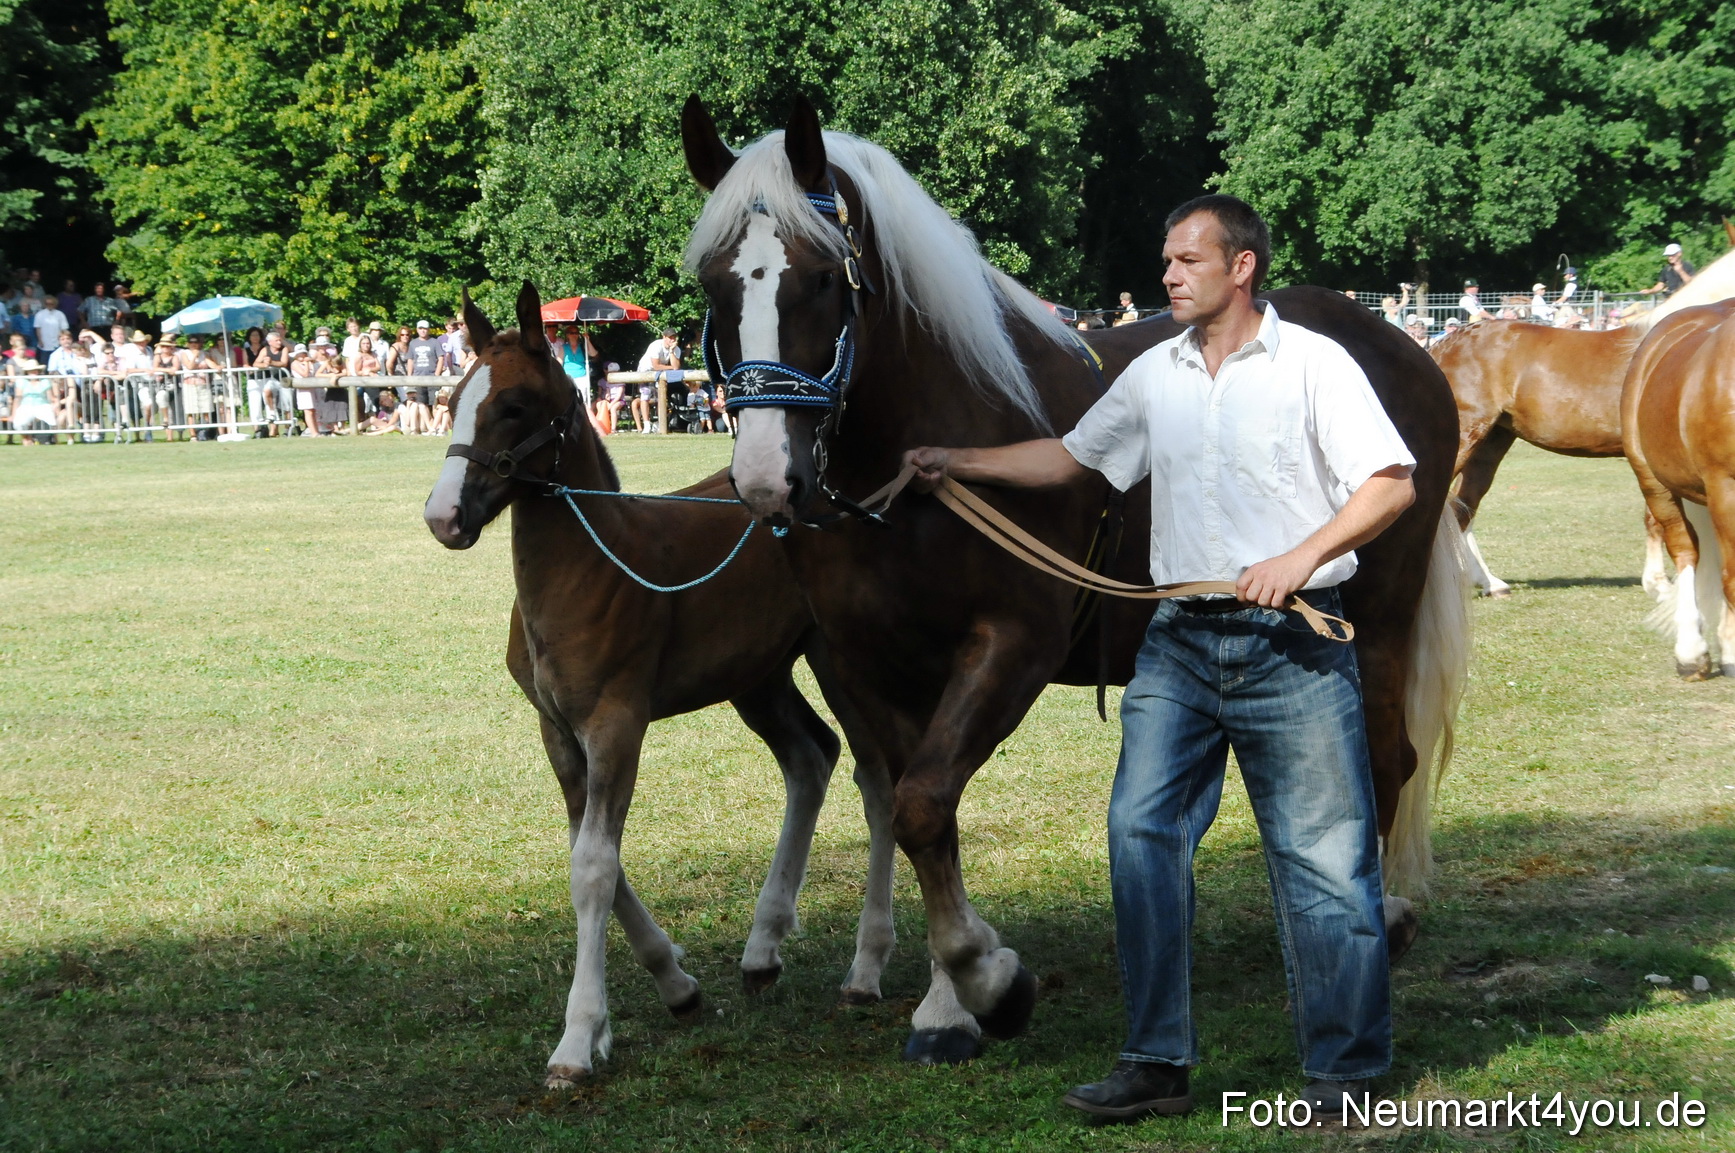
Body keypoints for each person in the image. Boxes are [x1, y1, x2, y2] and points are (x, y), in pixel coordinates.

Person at [903, 193, 1414, 1126]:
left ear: (1241, 266)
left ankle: (1346, 1072)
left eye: (1186, 260)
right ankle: (1154, 1061)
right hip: (1176, 644)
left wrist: (1300, 555)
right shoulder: (1155, 375)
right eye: (1167, 259)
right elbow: (1070, 459)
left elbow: (1390, 483)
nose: (1168, 275)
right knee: (1140, 839)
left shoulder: (1314, 364)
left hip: (1292, 642)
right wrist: (957, 460)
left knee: (1325, 862)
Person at [634, 328, 681, 433]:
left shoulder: (676, 349)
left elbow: (676, 367)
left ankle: (660, 424)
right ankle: (646, 425)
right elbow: (656, 366)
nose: (672, 340)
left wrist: (671, 352)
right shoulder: (655, 345)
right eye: (670, 337)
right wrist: (671, 367)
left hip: (661, 373)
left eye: (674, 337)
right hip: (645, 370)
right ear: (664, 337)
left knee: (661, 397)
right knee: (645, 395)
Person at [252, 329, 294, 436]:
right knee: (267, 390)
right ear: (270, 342)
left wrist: (271, 362)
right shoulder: (265, 350)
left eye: (279, 340)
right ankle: (271, 412)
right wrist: (264, 365)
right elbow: (256, 363)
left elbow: (284, 363)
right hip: (274, 379)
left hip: (285, 379)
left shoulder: (284, 349)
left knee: (287, 404)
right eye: (277, 341)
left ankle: (287, 428)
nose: (279, 342)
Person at [559, 324, 597, 408]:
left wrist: (587, 340)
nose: (574, 335)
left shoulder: (582, 346)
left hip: (582, 377)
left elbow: (593, 354)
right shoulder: (563, 347)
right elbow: (559, 363)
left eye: (576, 333)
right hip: (567, 377)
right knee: (568, 400)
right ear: (567, 335)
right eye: (572, 333)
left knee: (582, 400)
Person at [290, 343, 322, 435]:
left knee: (313, 411)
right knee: (308, 411)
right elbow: (305, 374)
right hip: (303, 390)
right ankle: (313, 432)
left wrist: (310, 362)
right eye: (300, 354)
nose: (302, 356)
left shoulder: (310, 363)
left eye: (304, 354)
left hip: (311, 389)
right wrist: (307, 363)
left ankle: (317, 431)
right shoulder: (295, 364)